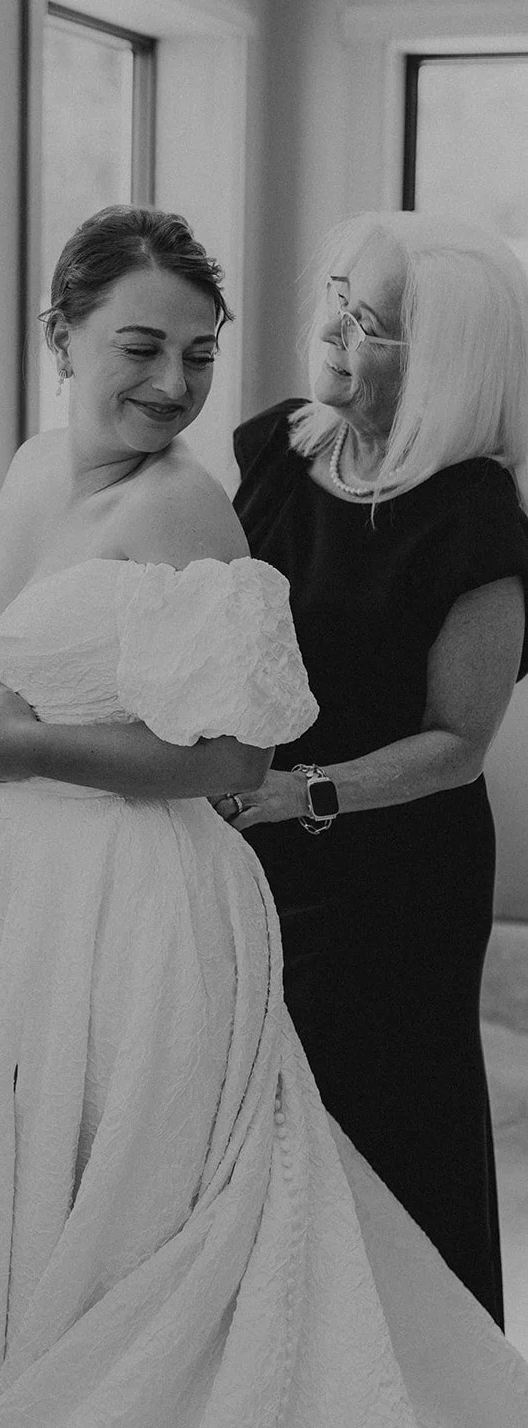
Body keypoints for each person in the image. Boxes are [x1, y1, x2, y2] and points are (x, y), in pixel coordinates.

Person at [0, 206, 528, 1427]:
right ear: (59, 336)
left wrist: (74, 754)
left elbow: (315, 740)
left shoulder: (325, 514)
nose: (174, 382)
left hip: (292, 864)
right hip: (93, 859)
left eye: (197, 353)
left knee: (272, 1154)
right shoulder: (231, 451)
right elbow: (19, 650)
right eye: (139, 347)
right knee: (67, 1153)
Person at [225, 210, 528, 1328]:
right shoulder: (272, 450)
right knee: (254, 1121)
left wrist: (298, 793)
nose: (332, 331)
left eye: (369, 323)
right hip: (249, 839)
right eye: (335, 300)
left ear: (440, 362)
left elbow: (456, 742)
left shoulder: (471, 516)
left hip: (393, 874)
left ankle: (405, 1365)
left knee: (374, 1123)